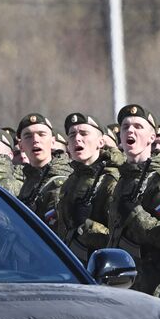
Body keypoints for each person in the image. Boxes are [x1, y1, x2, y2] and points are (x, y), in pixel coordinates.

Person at [108, 103, 160, 294]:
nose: (130, 131)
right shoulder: (124, 178)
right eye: (125, 127)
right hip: (122, 282)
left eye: (138, 127)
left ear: (151, 138)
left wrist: (136, 215)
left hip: (152, 287)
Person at [55, 112, 122, 264]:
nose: (77, 138)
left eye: (84, 133)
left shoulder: (113, 180)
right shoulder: (69, 182)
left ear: (100, 142)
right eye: (72, 135)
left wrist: (87, 225)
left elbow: (119, 238)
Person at [15, 112, 71, 224]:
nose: (35, 140)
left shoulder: (66, 177)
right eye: (28, 136)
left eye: (41, 134)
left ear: (53, 142)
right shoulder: (27, 181)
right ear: (21, 146)